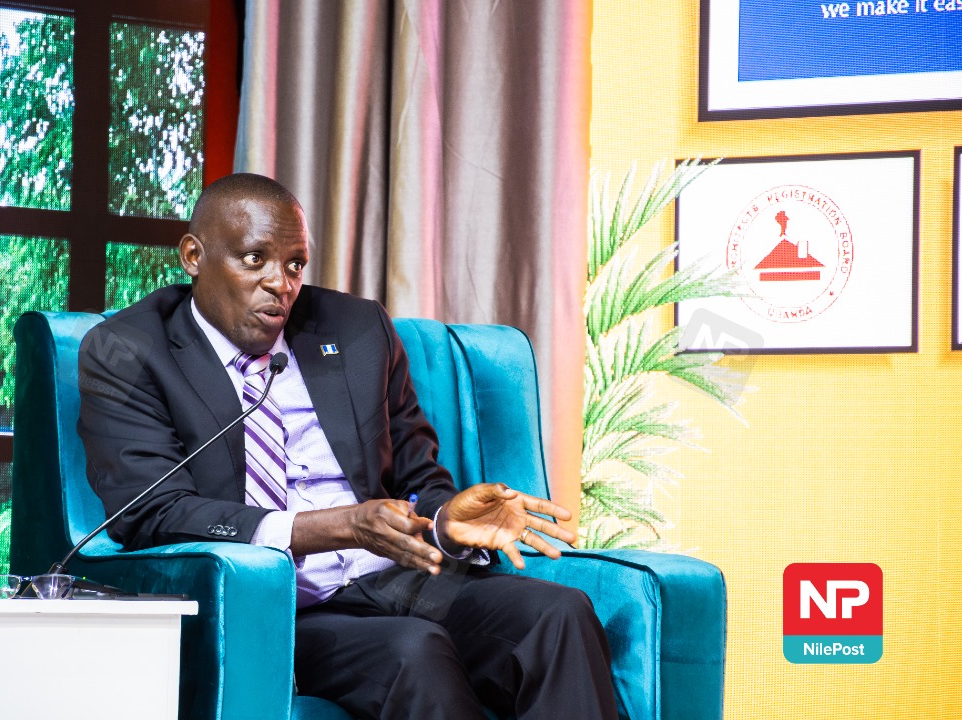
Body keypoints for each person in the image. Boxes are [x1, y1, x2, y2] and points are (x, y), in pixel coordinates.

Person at [77, 173, 619, 719]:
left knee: (560, 615)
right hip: (281, 606)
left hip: (393, 577)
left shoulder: (357, 329)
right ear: (193, 256)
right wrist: (341, 526)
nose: (280, 284)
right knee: (414, 652)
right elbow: (153, 512)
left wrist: (445, 523)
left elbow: (418, 478)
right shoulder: (129, 349)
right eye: (254, 259)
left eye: (294, 264)